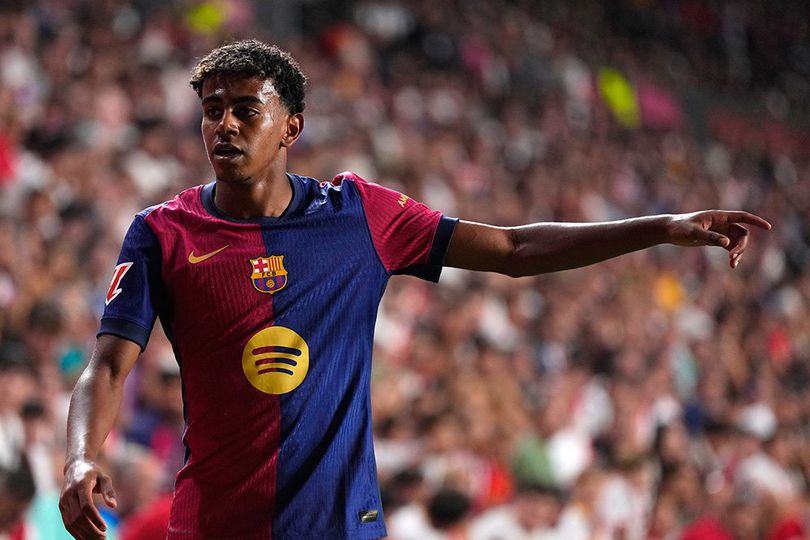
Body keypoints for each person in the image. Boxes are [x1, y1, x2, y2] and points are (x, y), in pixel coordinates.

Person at [58, 39, 771, 540]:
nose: (225, 124)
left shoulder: (360, 214)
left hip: (341, 526)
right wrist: (82, 456)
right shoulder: (162, 232)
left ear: (291, 127)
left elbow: (513, 249)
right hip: (215, 524)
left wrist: (662, 227)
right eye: (213, 109)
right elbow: (108, 367)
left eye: (247, 108)